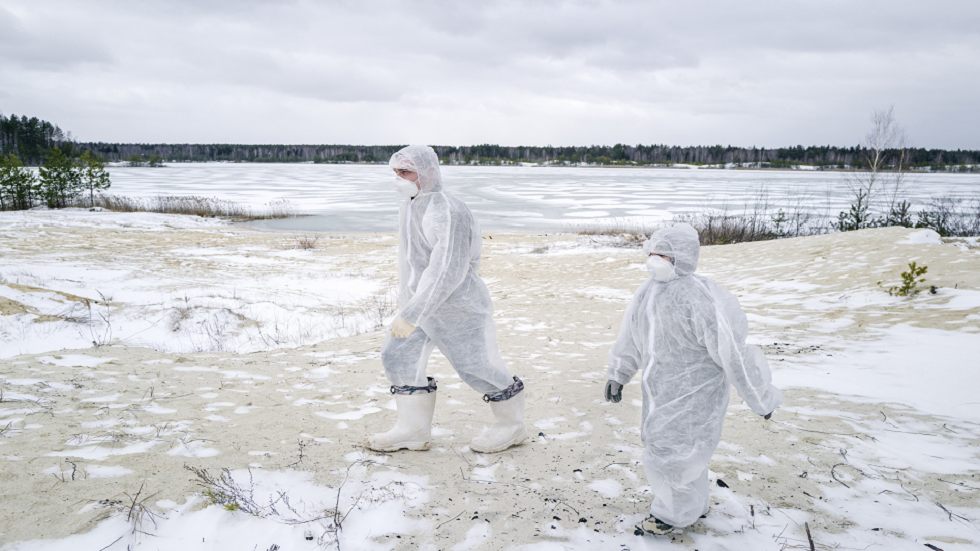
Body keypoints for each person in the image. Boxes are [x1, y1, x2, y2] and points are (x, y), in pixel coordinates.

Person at [603, 223, 782, 535]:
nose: (654, 260)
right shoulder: (648, 292)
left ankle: (670, 515)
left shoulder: (701, 298)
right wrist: (618, 372)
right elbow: (630, 336)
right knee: (682, 452)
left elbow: (733, 353)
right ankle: (694, 506)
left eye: (663, 255)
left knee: (673, 452)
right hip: (659, 391)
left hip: (696, 392)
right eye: (652, 253)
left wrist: (760, 397)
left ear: (682, 258)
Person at [365, 145, 526, 454]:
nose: (398, 179)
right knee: (397, 356)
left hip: (457, 307)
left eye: (405, 172)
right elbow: (413, 262)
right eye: (395, 172)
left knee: (477, 367)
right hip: (419, 305)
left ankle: (512, 425)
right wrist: (409, 304)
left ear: (429, 172)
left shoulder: (447, 210)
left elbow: (446, 271)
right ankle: (412, 430)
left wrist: (411, 314)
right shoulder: (412, 205)